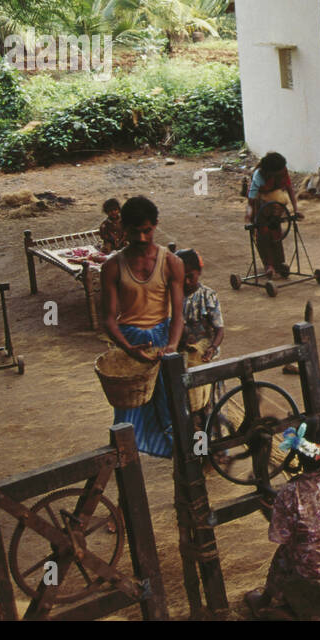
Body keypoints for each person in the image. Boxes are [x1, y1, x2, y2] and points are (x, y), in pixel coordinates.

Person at [246, 415, 320, 618]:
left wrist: (271, 512)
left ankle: (268, 600)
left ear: (297, 452)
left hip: (313, 568)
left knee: (282, 554)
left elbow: (281, 536)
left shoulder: (291, 492)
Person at [100, 196, 185, 457]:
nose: (141, 238)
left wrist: (171, 346)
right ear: (123, 228)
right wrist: (127, 348)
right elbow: (109, 319)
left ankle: (174, 448)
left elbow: (178, 315)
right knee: (130, 406)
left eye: (147, 230)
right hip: (130, 340)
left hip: (161, 338)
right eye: (134, 231)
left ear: (156, 225)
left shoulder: (171, 262)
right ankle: (128, 455)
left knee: (169, 401)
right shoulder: (112, 266)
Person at [247, 152, 302, 279]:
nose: (283, 171)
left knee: (276, 233)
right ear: (271, 172)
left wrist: (295, 210)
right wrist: (251, 216)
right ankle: (269, 265)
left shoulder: (282, 170)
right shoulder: (259, 176)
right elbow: (252, 198)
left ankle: (279, 263)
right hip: (260, 204)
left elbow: (290, 190)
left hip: (276, 205)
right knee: (263, 233)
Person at [176, 249, 223, 363]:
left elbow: (219, 329)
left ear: (199, 271)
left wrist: (212, 348)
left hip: (204, 349)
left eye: (190, 276)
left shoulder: (207, 295)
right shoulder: (172, 297)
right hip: (179, 350)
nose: (187, 282)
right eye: (182, 277)